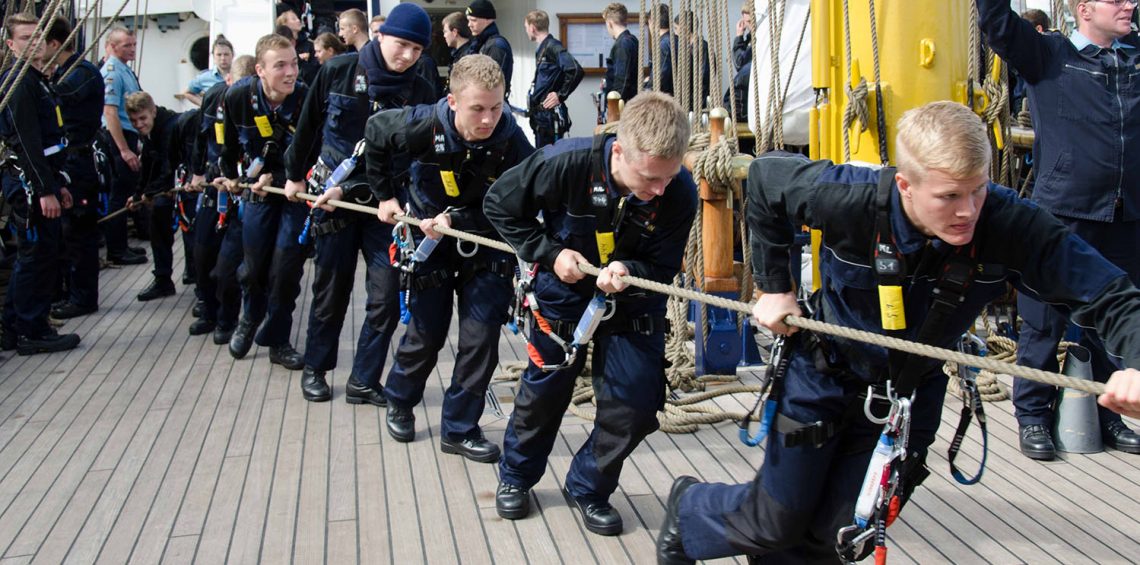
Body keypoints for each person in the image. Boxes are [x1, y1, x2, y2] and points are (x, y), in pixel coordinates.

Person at [653, 101, 1140, 564]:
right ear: (905, 185)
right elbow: (764, 182)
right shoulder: (851, 197)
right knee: (775, 521)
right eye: (949, 196)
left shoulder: (1009, 224)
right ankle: (689, 508)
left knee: (845, 531)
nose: (969, 210)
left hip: (907, 397)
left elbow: (1110, 294)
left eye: (978, 190)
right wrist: (776, 287)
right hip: (821, 378)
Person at [485, 91, 696, 536]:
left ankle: (588, 485)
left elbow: (663, 264)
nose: (660, 189)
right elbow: (500, 204)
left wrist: (630, 270)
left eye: (668, 177)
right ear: (619, 150)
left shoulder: (679, 190)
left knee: (637, 405)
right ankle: (517, 476)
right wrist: (548, 251)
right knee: (545, 390)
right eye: (650, 178)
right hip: (564, 288)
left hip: (633, 297)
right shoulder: (566, 162)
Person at [977, 0, 1140, 460]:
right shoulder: (1049, 56)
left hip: (1126, 215)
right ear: (1084, 9)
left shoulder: (1134, 58)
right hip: (1064, 212)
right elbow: (997, 23)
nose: (1129, 4)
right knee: (1043, 322)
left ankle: (1110, 413)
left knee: (1116, 317)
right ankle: (1032, 417)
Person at [364, 54, 535, 460]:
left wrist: (458, 217)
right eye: (478, 108)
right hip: (429, 244)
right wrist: (385, 195)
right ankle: (401, 399)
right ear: (454, 101)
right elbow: (374, 133)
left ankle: (459, 427)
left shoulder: (512, 139)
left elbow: (523, 199)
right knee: (427, 333)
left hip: (485, 245)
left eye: (497, 107)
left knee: (481, 342)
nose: (489, 119)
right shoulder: (422, 123)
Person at [283, 2, 438, 403]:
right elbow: (309, 125)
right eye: (402, 44)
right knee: (330, 291)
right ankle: (317, 368)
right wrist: (295, 174)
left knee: (386, 297)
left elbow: (423, 154)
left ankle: (364, 379)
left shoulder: (420, 87)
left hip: (386, 205)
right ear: (381, 34)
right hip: (333, 200)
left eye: (417, 50)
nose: (407, 56)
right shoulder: (338, 71)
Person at [216, 33, 309, 370]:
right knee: (253, 266)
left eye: (294, 63)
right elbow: (227, 145)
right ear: (260, 69)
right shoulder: (237, 96)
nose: (290, 72)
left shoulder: (304, 97)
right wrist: (232, 175)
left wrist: (281, 177)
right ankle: (249, 318)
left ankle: (279, 340)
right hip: (255, 191)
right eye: (281, 65)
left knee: (286, 269)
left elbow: (311, 150)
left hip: (294, 190)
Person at [0, 13, 81, 355]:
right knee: (36, 257)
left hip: (42, 181)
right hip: (29, 186)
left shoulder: (36, 81)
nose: (34, 43)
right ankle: (31, 330)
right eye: (25, 38)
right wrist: (45, 189)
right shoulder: (18, 86)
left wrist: (58, 183)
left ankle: (13, 327)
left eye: (37, 36)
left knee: (39, 255)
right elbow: (28, 144)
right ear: (10, 44)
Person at [188, 55, 256, 342]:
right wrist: (196, 173)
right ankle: (208, 309)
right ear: (227, 82)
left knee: (234, 267)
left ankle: (232, 320)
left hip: (249, 189)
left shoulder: (260, 103)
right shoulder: (214, 98)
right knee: (201, 250)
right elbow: (201, 140)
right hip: (215, 183)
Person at [48, 18, 106, 320]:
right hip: (68, 161)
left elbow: (60, 97)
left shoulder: (81, 74)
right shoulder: (67, 73)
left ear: (54, 45)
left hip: (79, 163)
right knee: (69, 233)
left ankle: (83, 298)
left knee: (79, 233)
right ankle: (71, 293)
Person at [124, 93, 199, 302]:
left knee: (190, 227)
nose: (138, 125)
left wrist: (149, 193)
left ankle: (197, 276)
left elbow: (168, 167)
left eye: (143, 119)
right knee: (158, 220)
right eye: (134, 121)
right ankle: (164, 279)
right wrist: (138, 194)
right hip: (170, 183)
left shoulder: (169, 128)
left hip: (185, 181)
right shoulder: (149, 132)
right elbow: (149, 162)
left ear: (153, 111)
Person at [100, 26, 147, 266]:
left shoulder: (124, 70)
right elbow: (110, 113)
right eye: (127, 45)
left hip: (128, 136)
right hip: (118, 139)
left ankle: (122, 246)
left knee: (126, 191)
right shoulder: (112, 72)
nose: (132, 49)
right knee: (118, 195)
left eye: (133, 45)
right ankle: (116, 250)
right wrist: (124, 149)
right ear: (113, 46)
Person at [524, 10, 583, 148]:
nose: (526, 31)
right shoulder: (543, 48)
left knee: (549, 160)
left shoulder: (552, 46)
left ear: (532, 28)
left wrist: (560, 95)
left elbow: (575, 70)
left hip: (548, 117)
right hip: (540, 117)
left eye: (526, 27)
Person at [465, 0, 513, 96]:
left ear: (488, 20)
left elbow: (492, 84)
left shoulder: (496, 46)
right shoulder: (480, 44)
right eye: (468, 20)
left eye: (474, 20)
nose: (469, 24)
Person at [602, 3, 639, 109]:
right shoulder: (632, 40)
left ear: (610, 23)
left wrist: (614, 108)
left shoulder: (622, 44)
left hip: (622, 105)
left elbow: (622, 79)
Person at [181, 35, 234, 107]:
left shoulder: (240, 75)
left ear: (232, 55)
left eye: (226, 54)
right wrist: (204, 105)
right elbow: (187, 93)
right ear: (213, 56)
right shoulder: (205, 77)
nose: (223, 58)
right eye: (219, 55)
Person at [442, 11, 474, 93]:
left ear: (454, 32)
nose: (444, 36)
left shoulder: (469, 57)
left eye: (445, 31)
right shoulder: (457, 55)